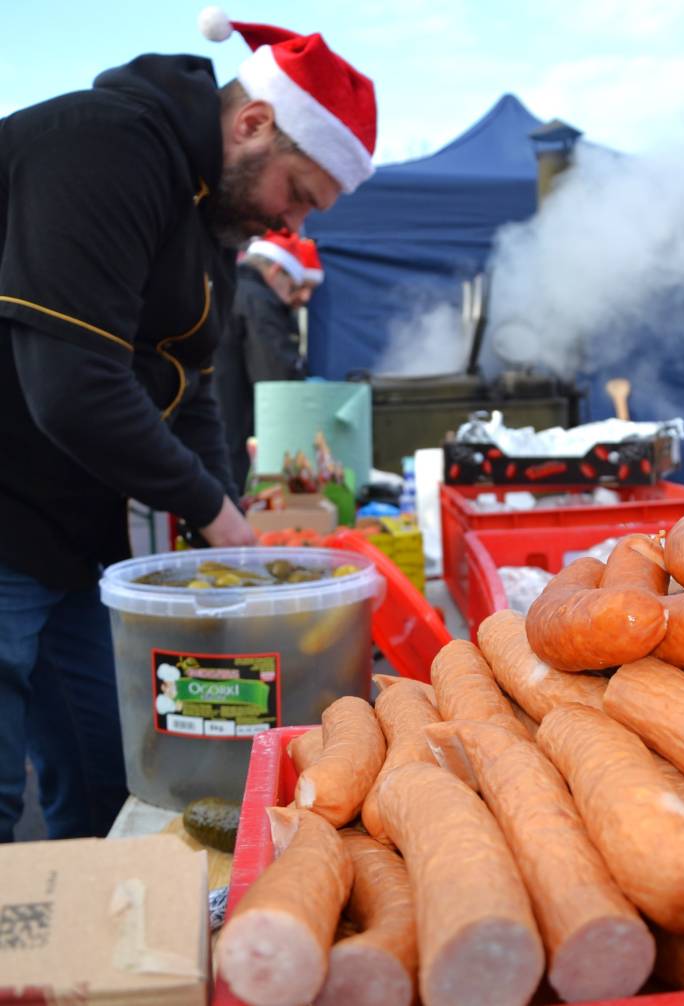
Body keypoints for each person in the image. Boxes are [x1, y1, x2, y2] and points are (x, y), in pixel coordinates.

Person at [0, 10, 376, 842]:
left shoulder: (208, 216)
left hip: (61, 533)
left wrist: (233, 540)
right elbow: (74, 388)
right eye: (300, 196)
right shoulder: (104, 148)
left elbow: (192, 387)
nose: (294, 229)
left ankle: (105, 969)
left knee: (111, 781)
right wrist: (216, 514)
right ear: (253, 124)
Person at [215, 229, 317, 491]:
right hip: (235, 437)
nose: (300, 297)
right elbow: (275, 382)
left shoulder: (228, 287)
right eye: (293, 285)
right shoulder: (259, 301)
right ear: (275, 272)